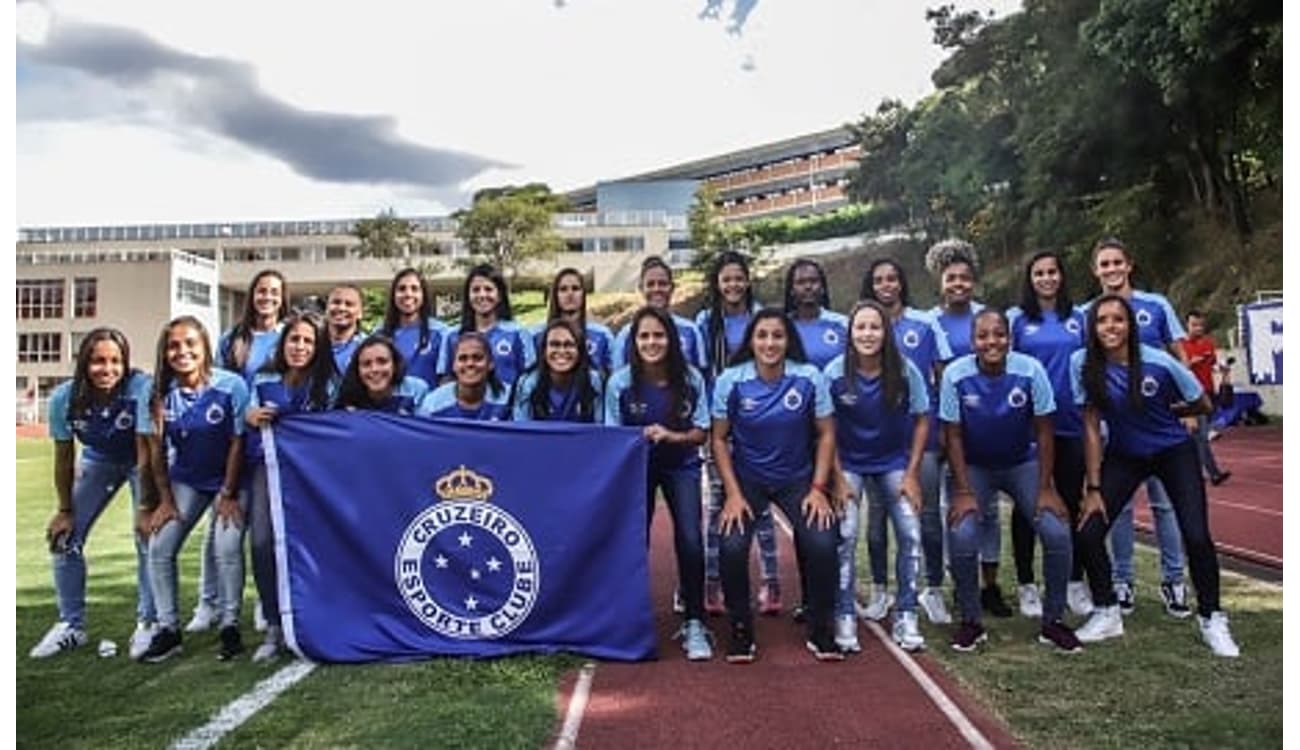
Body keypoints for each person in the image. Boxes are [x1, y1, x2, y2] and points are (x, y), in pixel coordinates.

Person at [1070, 295, 1241, 657]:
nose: (1110, 327)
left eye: (1118, 319)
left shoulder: (1159, 362)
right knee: (1088, 532)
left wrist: (1171, 410)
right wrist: (1094, 487)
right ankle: (1107, 610)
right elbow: (1090, 426)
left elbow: (1204, 404)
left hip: (1172, 451)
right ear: (1092, 328)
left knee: (1195, 535)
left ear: (1130, 325)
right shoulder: (1082, 364)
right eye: (1102, 321)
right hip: (1124, 455)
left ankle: (1212, 617)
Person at [939, 308, 1079, 653]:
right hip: (975, 467)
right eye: (983, 335)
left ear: (1009, 338)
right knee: (962, 533)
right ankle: (971, 620)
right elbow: (952, 436)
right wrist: (963, 491)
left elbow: (1045, 432)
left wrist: (1046, 488)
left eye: (999, 334)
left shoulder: (1031, 370)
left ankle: (1053, 621)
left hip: (1022, 463)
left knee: (1057, 530)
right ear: (973, 341)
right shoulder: (955, 375)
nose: (992, 342)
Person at [711, 309, 842, 662]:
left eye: (777, 336)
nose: (770, 343)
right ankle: (741, 628)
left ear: (788, 341)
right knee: (732, 544)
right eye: (762, 335)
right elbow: (719, 439)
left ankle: (820, 626)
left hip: (797, 480)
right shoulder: (731, 380)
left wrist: (818, 488)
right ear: (751, 341)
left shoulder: (809, 377)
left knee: (823, 539)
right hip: (747, 482)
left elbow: (827, 433)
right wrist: (734, 495)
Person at [29, 328, 159, 660]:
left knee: (146, 537)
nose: (107, 369)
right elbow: (63, 456)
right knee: (63, 538)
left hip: (138, 460)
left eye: (115, 361)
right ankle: (71, 625)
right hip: (99, 460)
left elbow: (147, 450)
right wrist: (65, 509)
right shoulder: (64, 398)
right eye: (98, 361)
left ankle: (148, 622)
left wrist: (146, 506)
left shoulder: (140, 388)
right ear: (84, 363)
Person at [139, 316, 250, 662]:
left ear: (204, 347)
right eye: (173, 345)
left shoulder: (231, 385)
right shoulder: (156, 391)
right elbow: (155, 450)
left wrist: (228, 495)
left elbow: (237, 442)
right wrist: (165, 501)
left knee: (227, 543)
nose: (182, 351)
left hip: (232, 479)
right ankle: (168, 629)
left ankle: (230, 625)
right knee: (160, 545)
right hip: (187, 480)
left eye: (190, 343)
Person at [1089, 237, 1189, 617]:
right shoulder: (1091, 311)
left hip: (1160, 423)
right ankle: (1123, 580)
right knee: (1121, 508)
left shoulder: (1156, 305)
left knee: (1165, 505)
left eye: (1117, 262)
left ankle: (1174, 582)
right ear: (1095, 270)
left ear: (1129, 265)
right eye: (1104, 264)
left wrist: (1188, 408)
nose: (1112, 269)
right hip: (1115, 427)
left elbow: (1178, 357)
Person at [605, 306, 712, 660]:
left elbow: (701, 433)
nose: (652, 342)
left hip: (681, 466)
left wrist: (670, 436)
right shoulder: (619, 382)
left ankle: (695, 621)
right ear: (634, 342)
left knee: (691, 540)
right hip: (637, 470)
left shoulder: (692, 378)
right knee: (635, 541)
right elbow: (611, 436)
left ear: (671, 339)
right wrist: (638, 438)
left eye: (658, 335)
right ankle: (628, 619)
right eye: (644, 336)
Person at [825, 301, 930, 653]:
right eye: (861, 328)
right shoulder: (834, 372)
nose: (867, 334)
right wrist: (837, 477)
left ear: (886, 333)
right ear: (850, 333)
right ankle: (843, 614)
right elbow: (824, 429)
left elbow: (921, 419)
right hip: (849, 465)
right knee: (847, 533)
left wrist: (913, 473)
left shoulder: (904, 369)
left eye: (875, 327)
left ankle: (906, 613)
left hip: (892, 463)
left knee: (910, 533)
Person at [189, 269, 288, 635]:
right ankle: (208, 602)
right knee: (219, 524)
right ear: (252, 295)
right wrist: (241, 414)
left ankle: (265, 600)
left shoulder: (287, 336)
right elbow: (218, 384)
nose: (267, 297)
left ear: (283, 297)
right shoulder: (233, 338)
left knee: (265, 526)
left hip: (268, 443)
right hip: (232, 437)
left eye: (275, 292)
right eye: (262, 291)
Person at [925, 240, 1021, 620]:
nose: (959, 284)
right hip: (950, 427)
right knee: (956, 508)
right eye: (951, 278)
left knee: (990, 511)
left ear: (975, 281)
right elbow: (936, 376)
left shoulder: (990, 316)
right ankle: (959, 581)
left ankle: (990, 584)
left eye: (965, 278)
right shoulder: (930, 321)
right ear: (940, 281)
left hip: (991, 425)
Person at [860, 257, 954, 625]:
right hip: (877, 444)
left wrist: (946, 428)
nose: (886, 285)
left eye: (892, 278)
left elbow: (943, 380)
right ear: (872, 285)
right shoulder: (864, 327)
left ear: (901, 284)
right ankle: (881, 590)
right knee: (876, 520)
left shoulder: (925, 325)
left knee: (928, 518)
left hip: (923, 440)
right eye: (879, 279)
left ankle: (932, 589)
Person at [243, 310, 337, 661]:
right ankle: (273, 622)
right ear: (283, 343)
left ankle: (316, 613)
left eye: (309, 341)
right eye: (294, 339)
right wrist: (249, 415)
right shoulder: (264, 377)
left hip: (314, 476)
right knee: (263, 541)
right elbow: (247, 411)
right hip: (268, 470)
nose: (300, 346)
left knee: (315, 544)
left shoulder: (328, 382)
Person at [1007, 251, 1094, 619]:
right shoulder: (1016, 320)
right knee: (1027, 507)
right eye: (1039, 273)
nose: (1046, 278)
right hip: (1028, 426)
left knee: (1071, 502)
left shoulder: (1079, 319)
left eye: (1052, 272)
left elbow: (1092, 364)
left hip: (1071, 423)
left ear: (1061, 276)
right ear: (1030, 279)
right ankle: (1027, 584)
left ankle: (1074, 581)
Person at [694, 251, 781, 617]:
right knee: (718, 505)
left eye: (738, 278)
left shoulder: (761, 316)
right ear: (717, 284)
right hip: (720, 422)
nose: (732, 284)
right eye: (725, 278)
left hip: (758, 420)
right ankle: (712, 582)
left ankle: (771, 582)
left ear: (747, 280)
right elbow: (700, 371)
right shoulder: (705, 321)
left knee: (760, 506)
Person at [440, 264, 536, 389]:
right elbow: (445, 380)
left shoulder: (519, 334)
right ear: (468, 296)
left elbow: (530, 379)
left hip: (508, 407)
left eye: (488, 289)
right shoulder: (452, 336)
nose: (482, 295)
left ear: (500, 295)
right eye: (476, 290)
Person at [613, 256, 708, 371]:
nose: (656, 289)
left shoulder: (691, 331)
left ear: (672, 288)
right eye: (650, 284)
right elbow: (618, 379)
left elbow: (702, 377)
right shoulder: (626, 335)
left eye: (662, 284)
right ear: (641, 288)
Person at [511, 319, 603, 423]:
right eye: (555, 345)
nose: (561, 351)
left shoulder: (592, 380)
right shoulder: (528, 383)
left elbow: (598, 428)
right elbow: (521, 429)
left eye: (569, 345)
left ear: (580, 351)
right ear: (544, 351)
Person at [378, 267, 450, 390]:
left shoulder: (442, 333)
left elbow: (446, 380)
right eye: (402, 289)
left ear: (423, 294)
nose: (408, 294)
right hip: (389, 407)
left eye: (414, 289)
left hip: (427, 407)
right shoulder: (379, 334)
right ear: (393, 295)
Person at [535, 268, 614, 376]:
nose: (570, 294)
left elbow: (613, 375)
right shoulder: (535, 334)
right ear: (555, 294)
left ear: (583, 294)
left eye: (575, 288)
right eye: (563, 289)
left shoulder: (603, 335)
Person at [1183, 311, 1231, 485]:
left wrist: (1223, 370)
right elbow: (1176, 368)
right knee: (1201, 436)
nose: (1198, 329)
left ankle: (1192, 472)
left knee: (1196, 438)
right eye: (1194, 325)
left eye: (1201, 325)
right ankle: (1214, 473)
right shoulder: (1180, 345)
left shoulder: (1209, 344)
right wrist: (1190, 363)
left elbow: (1213, 365)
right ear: (1187, 325)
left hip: (1208, 393)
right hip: (1191, 396)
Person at [416, 333, 510, 421]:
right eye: (463, 358)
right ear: (453, 365)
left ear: (491, 364)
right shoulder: (432, 404)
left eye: (477, 358)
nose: (470, 364)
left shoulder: (509, 398)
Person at [334, 335, 429, 414]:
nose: (374, 369)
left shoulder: (417, 390)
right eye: (366, 364)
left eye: (382, 362)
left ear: (395, 364)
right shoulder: (347, 397)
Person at [783, 258, 848, 370]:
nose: (808, 287)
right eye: (800, 282)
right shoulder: (783, 326)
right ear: (791, 290)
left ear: (822, 288)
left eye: (813, 281)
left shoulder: (843, 323)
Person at [326, 284, 368, 375]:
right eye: (336, 302)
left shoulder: (368, 347)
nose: (341, 308)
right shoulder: (312, 345)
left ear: (360, 313)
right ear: (327, 308)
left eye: (349, 304)